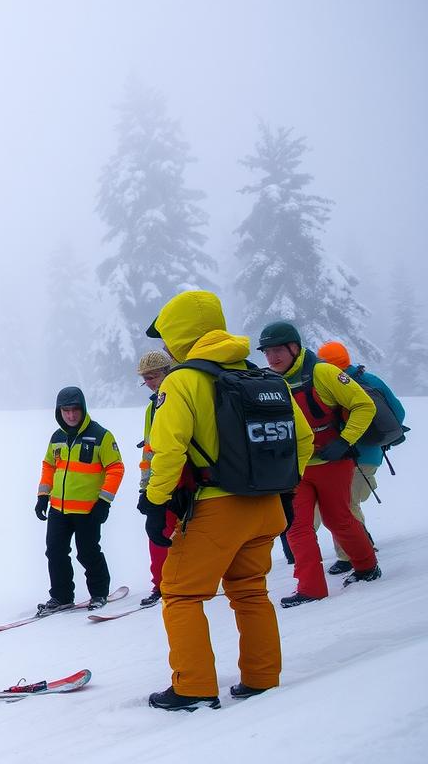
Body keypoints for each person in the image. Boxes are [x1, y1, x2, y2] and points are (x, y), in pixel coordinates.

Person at [139, 291, 313, 711]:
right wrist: (285, 491)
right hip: (267, 505)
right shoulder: (261, 377)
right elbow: (303, 440)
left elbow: (168, 450)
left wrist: (155, 503)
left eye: (167, 339)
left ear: (181, 335)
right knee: (251, 591)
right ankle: (262, 676)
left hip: (215, 508)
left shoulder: (182, 381)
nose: (165, 348)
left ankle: (193, 687)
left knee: (179, 594)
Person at [258, 322, 382, 606]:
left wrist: (346, 440)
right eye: (267, 352)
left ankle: (366, 566)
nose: (272, 357)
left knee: (337, 519)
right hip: (295, 468)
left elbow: (365, 406)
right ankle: (310, 588)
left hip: (332, 462)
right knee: (297, 526)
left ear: (294, 347)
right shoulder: (268, 381)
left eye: (278, 350)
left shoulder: (323, 372)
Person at [313, 340, 406, 574]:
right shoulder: (370, 379)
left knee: (343, 505)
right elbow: (399, 412)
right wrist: (379, 437)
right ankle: (358, 546)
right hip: (372, 454)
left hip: (345, 455)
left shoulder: (331, 385)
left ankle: (350, 556)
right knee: (348, 502)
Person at [33, 386, 124, 614]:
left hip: (88, 511)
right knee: (55, 552)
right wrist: (43, 496)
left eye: (75, 410)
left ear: (83, 409)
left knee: (88, 552)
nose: (71, 416)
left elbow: (116, 468)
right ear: (59, 412)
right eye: (66, 411)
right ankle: (62, 596)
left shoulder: (101, 436)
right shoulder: (57, 437)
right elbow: (49, 465)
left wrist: (104, 502)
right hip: (59, 510)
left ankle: (99, 593)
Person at [135, 350, 174, 606]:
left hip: (184, 481)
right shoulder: (152, 407)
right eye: (145, 378)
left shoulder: (177, 397)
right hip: (159, 481)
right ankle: (160, 585)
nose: (148, 382)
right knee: (157, 534)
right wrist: (144, 487)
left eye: (151, 376)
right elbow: (149, 450)